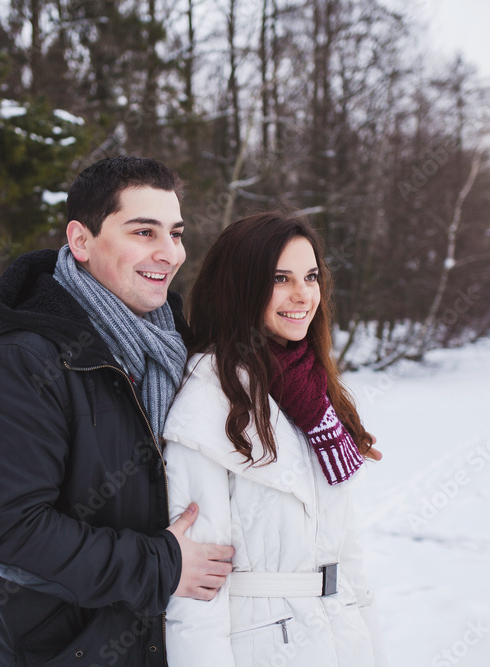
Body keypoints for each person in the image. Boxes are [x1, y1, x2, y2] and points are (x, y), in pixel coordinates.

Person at [0, 156, 234, 666]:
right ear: (81, 240)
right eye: (143, 232)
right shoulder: (25, 363)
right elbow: (8, 533)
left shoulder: (180, 351)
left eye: (175, 233)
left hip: (164, 641)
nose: (169, 253)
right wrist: (161, 565)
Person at [163, 211, 388, 666]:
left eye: (310, 276)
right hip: (261, 645)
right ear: (240, 287)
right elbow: (197, 594)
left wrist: (372, 643)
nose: (303, 295)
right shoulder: (207, 400)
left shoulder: (315, 396)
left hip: (340, 635)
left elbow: (347, 553)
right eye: (280, 278)